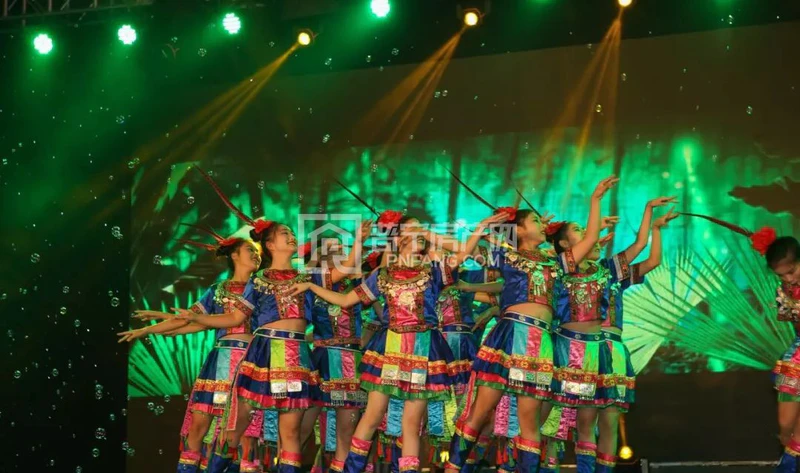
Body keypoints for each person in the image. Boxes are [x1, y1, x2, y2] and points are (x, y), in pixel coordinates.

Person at [289, 212, 505, 473]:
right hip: (389, 351)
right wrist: (312, 287)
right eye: (414, 231)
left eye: (422, 232)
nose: (421, 235)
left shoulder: (433, 272)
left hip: (423, 352)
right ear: (399, 239)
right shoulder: (383, 275)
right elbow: (346, 301)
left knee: (411, 425)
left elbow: (462, 254)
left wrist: (479, 227)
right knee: (371, 417)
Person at [445, 176, 618, 473]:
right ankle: (453, 468)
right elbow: (462, 253)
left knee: (529, 420)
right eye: (535, 220)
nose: (541, 223)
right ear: (521, 230)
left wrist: (596, 199)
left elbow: (590, 239)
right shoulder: (507, 255)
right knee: (481, 410)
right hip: (511, 334)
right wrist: (482, 228)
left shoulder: (556, 263)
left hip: (541, 342)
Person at [121, 231, 263, 473]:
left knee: (245, 432)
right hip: (222, 362)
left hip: (251, 361)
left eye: (258, 252)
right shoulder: (218, 290)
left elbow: (199, 321)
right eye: (250, 250)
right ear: (234, 255)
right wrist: (146, 329)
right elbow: (188, 319)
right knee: (198, 426)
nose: (256, 255)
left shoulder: (262, 289)